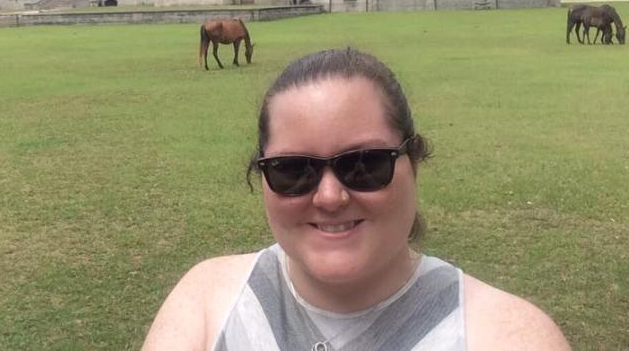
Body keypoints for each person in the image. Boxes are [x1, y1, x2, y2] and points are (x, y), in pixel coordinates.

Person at [142, 48, 570, 350]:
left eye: (365, 164)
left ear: (414, 164)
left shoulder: (509, 335)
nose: (330, 197)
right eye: (293, 170)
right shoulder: (207, 302)